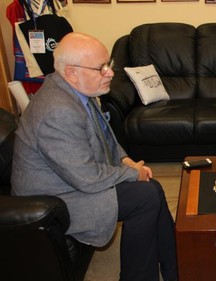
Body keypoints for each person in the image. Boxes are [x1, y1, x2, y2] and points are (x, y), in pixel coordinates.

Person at [11, 32, 178, 281]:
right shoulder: (57, 111)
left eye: (108, 64)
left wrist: (126, 161)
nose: (110, 73)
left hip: (70, 181)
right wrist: (133, 173)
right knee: (145, 195)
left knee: (151, 188)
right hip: (53, 200)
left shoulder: (75, 91)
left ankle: (176, 266)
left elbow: (106, 137)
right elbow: (87, 177)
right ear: (72, 72)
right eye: (101, 68)